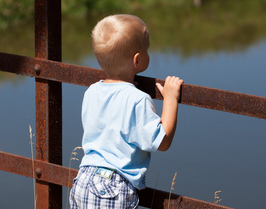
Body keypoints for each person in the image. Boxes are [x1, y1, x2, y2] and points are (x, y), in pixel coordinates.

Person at [69, 14, 183, 208]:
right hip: (113, 187)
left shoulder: (92, 91)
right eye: (147, 49)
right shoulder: (138, 99)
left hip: (83, 180)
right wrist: (171, 99)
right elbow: (162, 141)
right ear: (137, 60)